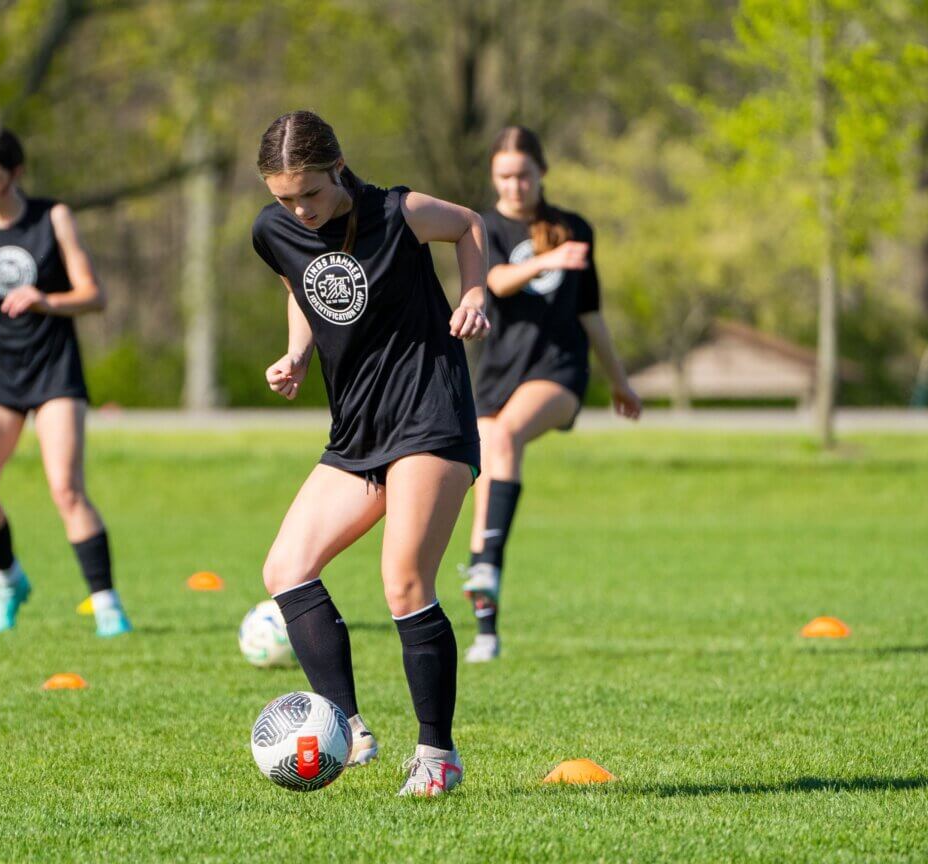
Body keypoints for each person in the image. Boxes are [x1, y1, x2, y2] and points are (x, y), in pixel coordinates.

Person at [250, 110, 490, 796]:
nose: (300, 210)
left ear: (339, 166)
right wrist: (297, 353)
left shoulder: (399, 211)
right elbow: (299, 285)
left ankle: (437, 756)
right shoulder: (274, 230)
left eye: (311, 195)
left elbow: (471, 224)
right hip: (357, 429)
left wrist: (474, 291)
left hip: (429, 413)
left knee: (404, 581)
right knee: (286, 568)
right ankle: (348, 728)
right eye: (284, 198)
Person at [0, 126, 131, 638]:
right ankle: (9, 581)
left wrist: (47, 300)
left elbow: (94, 294)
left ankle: (105, 603)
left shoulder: (52, 219)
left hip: (53, 373)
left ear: (16, 173)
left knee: (66, 488)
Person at [459, 126, 642, 662]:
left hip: (558, 371)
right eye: (504, 177)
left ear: (542, 172)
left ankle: (487, 563)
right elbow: (493, 283)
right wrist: (546, 262)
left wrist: (619, 380)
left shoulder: (573, 228)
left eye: (524, 175)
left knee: (509, 433)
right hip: (497, 374)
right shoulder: (481, 226)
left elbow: (590, 314)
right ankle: (486, 632)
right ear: (493, 177)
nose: (514, 186)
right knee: (485, 475)